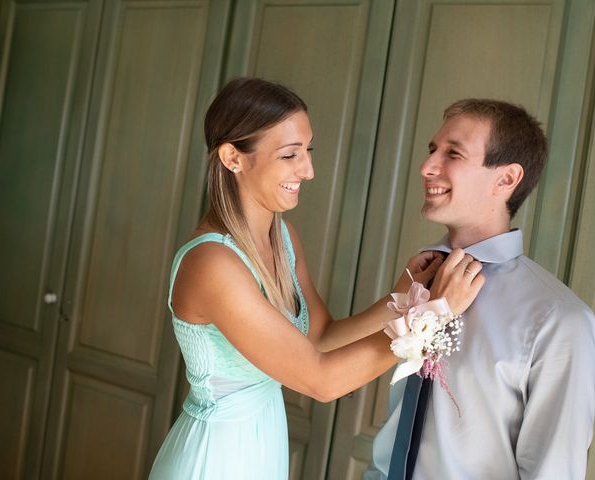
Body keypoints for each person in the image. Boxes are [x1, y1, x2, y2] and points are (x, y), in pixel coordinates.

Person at [148, 78, 484, 479]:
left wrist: (403, 294)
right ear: (232, 157)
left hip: (263, 444)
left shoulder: (283, 238)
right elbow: (321, 381)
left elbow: (320, 338)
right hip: (215, 457)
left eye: (308, 150)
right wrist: (431, 316)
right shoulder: (212, 263)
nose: (307, 170)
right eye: (290, 155)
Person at [364, 99, 595, 479]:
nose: (427, 167)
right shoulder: (418, 282)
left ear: (506, 179)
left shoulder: (560, 321)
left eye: (452, 153)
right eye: (432, 150)